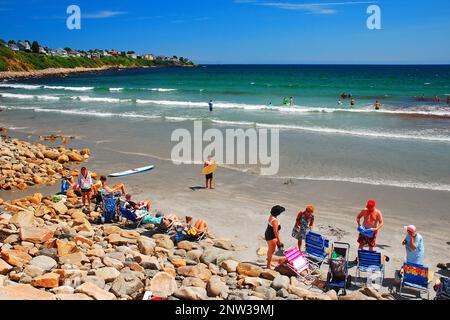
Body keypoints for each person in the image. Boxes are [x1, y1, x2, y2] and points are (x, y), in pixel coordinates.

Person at [265, 205, 285, 269]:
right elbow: (275, 232)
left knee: (269, 250)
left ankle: (269, 262)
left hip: (268, 234)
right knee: (272, 251)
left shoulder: (271, 216)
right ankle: (268, 266)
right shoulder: (275, 221)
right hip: (271, 237)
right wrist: (279, 241)